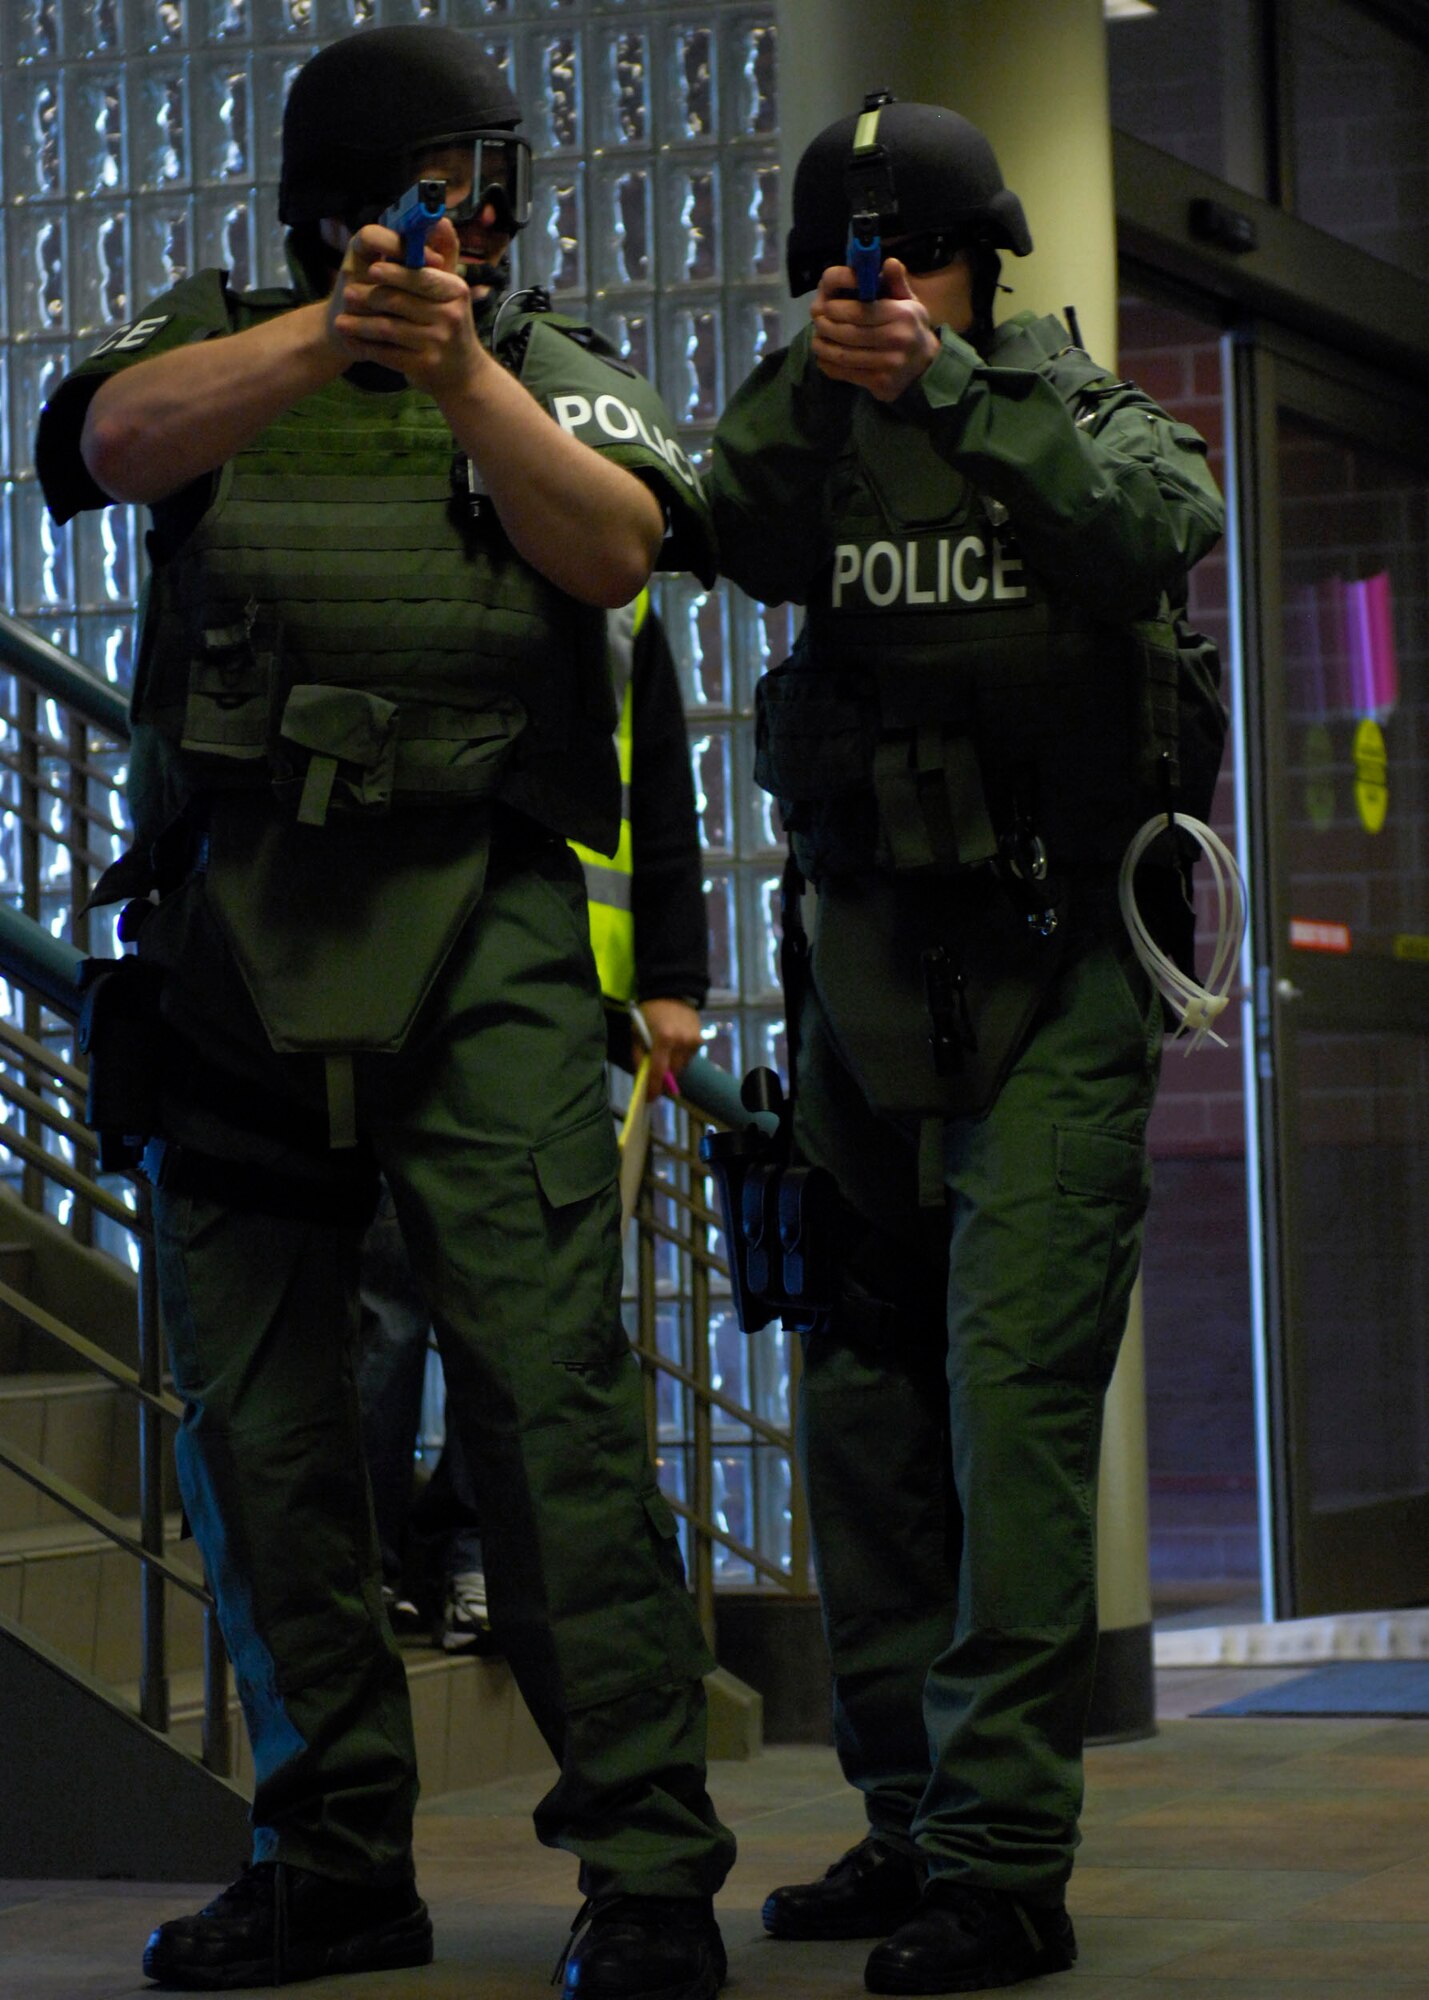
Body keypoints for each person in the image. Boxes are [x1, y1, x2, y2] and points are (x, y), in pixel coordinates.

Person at [36, 23, 733, 1997]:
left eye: (494, 193)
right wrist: (323, 343)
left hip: (484, 946)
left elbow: (612, 548)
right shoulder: (213, 342)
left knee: (550, 1416)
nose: (480, 224)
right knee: (262, 1430)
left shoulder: (558, 374)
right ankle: (333, 1851)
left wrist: (459, 372)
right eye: (443, 187)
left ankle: (649, 1871)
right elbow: (106, 446)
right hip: (231, 942)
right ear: (342, 201)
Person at [709, 94, 1225, 1994]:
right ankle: (906, 1819)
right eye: (844, 273)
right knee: (858, 1416)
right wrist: (821, 383)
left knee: (1008, 1417)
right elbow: (693, 515)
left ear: (975, 267)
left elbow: (1156, 528)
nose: (877, 296)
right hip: (851, 981)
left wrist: (946, 395)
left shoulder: (1076, 415)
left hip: (1053, 979)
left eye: (906, 263)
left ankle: (1003, 1862)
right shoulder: (805, 435)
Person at [358, 590, 710, 1654]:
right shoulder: (377, 536)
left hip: (555, 1006)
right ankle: (373, 1565)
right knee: (383, 1297)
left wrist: (675, 976)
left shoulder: (605, 575)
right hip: (375, 983)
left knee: (510, 1300)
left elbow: (657, 785)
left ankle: (473, 1555)